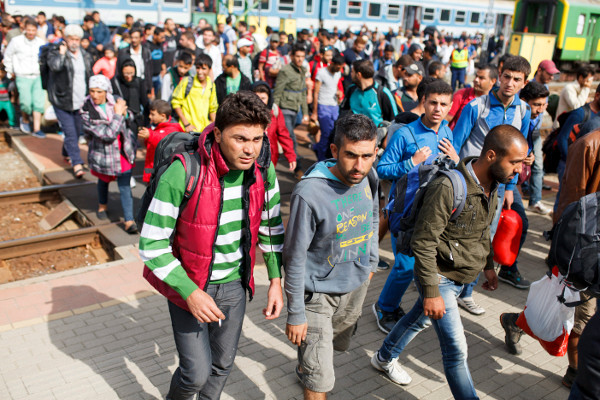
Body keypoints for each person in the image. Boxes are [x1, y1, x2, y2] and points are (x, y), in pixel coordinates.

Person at [139, 91, 284, 400]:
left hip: (234, 286)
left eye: (257, 139)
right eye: (240, 138)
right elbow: (152, 243)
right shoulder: (184, 170)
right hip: (190, 286)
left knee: (222, 365)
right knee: (195, 373)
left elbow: (271, 227)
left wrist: (275, 280)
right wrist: (188, 292)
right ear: (218, 134)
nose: (250, 150)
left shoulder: (263, 170)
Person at [372, 125, 527, 398]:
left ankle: (383, 358)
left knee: (418, 319)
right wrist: (432, 292)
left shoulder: (493, 187)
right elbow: (423, 242)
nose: (519, 170)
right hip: (439, 276)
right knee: (456, 350)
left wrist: (489, 267)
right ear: (491, 155)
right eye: (514, 162)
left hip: (461, 277)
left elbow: (482, 232)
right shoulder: (449, 186)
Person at [283, 113, 379, 400]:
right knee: (321, 380)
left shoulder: (368, 175)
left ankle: (307, 365)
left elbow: (373, 216)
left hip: (355, 288)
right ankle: (311, 371)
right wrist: (296, 313)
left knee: (330, 350)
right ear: (335, 150)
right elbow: (294, 257)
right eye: (351, 155)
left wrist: (371, 261)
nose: (359, 166)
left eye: (367, 156)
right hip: (317, 298)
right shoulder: (309, 193)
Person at [500, 127, 600, 389]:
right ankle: (575, 372)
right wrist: (567, 251)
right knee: (581, 316)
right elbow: (571, 199)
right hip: (587, 249)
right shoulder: (589, 144)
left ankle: (516, 323)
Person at [373, 80, 457, 333]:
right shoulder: (405, 133)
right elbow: (382, 169)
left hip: (434, 212)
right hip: (405, 210)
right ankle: (384, 308)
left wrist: (456, 160)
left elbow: (452, 170)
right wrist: (412, 161)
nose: (437, 109)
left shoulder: (447, 132)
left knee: (421, 263)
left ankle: (396, 304)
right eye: (433, 102)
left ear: (450, 106)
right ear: (424, 102)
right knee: (405, 265)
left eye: (443, 104)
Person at [453, 55, 532, 290]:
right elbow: (456, 145)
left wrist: (510, 187)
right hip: (467, 182)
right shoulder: (477, 107)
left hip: (498, 186)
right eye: (506, 76)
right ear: (499, 74)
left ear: (524, 83)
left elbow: (522, 151)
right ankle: (442, 280)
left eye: (517, 79)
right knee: (458, 232)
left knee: (487, 233)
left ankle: (467, 291)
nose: (510, 83)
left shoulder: (524, 110)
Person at [81, 75, 138, 233]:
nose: (95, 95)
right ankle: (102, 205)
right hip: (103, 154)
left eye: (99, 91)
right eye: (92, 91)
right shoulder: (86, 110)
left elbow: (131, 117)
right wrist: (119, 115)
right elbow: (107, 134)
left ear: (106, 91)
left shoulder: (116, 101)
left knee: (125, 185)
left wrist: (125, 113)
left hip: (122, 150)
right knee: (103, 180)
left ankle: (128, 220)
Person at [47, 24, 94, 178]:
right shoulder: (55, 51)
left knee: (75, 130)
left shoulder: (86, 55)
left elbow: (90, 76)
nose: (74, 42)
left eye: (77, 39)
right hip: (62, 100)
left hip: (80, 101)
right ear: (65, 39)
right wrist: (61, 54)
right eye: (71, 39)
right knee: (71, 133)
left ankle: (66, 152)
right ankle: (77, 163)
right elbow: (54, 67)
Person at [3, 18, 45, 137]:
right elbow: (8, 56)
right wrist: (10, 71)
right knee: (26, 102)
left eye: (33, 30)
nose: (31, 32)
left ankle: (37, 128)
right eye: (29, 30)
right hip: (22, 75)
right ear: (25, 29)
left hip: (37, 76)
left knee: (38, 103)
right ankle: (25, 119)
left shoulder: (40, 42)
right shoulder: (16, 41)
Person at [272, 44, 309, 178]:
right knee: (290, 137)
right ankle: (297, 168)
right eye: (297, 56)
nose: (300, 59)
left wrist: (305, 112)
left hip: (296, 109)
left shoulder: (303, 70)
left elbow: (303, 92)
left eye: (302, 57)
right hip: (285, 108)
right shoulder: (285, 70)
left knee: (287, 135)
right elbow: (278, 90)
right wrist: (274, 108)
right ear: (292, 56)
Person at [518, 81, 552, 215]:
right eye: (537, 105)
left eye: (544, 105)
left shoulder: (533, 118)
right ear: (524, 101)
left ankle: (535, 201)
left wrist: (529, 154)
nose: (541, 110)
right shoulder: (514, 118)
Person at [251, 81, 297, 171]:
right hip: (251, 156)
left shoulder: (274, 111)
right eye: (256, 98)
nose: (260, 101)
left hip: (270, 157)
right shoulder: (245, 112)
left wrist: (291, 156)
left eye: (263, 98)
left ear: (269, 98)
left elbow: (283, 134)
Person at [341, 59, 398, 127]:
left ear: (359, 75)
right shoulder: (351, 90)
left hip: (376, 136)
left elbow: (394, 121)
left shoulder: (383, 93)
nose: (351, 74)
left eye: (352, 72)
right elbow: (343, 112)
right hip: (353, 135)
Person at [137, 99, 184, 183]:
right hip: (153, 169)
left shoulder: (173, 128)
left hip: (163, 172)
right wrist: (143, 139)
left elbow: (165, 140)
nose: (149, 117)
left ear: (163, 116)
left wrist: (150, 135)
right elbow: (149, 145)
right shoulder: (153, 126)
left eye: (153, 114)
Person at [171, 54, 218, 132]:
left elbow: (213, 108)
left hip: (203, 129)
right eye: (198, 68)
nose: (200, 72)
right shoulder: (187, 82)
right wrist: (186, 124)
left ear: (210, 69)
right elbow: (176, 103)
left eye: (203, 69)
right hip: (187, 129)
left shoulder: (211, 86)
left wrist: (214, 127)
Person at [311, 54, 344, 161]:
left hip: (334, 106)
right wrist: (315, 111)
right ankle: (321, 159)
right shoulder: (321, 73)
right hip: (323, 105)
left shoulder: (338, 73)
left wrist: (339, 93)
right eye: (337, 67)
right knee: (325, 134)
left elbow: (335, 87)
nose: (339, 70)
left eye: (340, 67)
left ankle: (318, 148)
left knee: (334, 133)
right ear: (332, 63)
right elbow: (315, 92)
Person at [446, 65, 497, 130]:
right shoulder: (461, 94)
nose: (476, 80)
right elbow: (446, 120)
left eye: (481, 78)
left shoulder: (496, 102)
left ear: (493, 81)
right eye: (476, 76)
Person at [112, 59, 149, 133]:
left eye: (131, 73)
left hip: (137, 120)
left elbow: (145, 102)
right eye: (126, 73)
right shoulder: (115, 82)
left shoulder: (139, 82)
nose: (129, 76)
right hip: (122, 119)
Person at [117, 27, 153, 96]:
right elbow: (118, 70)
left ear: (141, 38)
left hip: (143, 84)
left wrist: (150, 87)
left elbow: (149, 70)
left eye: (136, 37)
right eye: (132, 37)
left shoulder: (146, 52)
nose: (134, 40)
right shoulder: (123, 52)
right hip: (128, 85)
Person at [148, 26, 166, 99]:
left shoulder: (160, 45)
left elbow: (162, 58)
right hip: (150, 77)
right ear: (155, 36)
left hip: (158, 76)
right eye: (161, 37)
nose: (163, 39)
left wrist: (163, 69)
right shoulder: (147, 46)